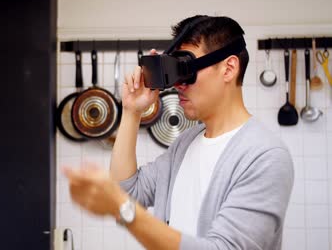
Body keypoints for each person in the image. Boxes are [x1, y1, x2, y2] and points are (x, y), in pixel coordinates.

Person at [63, 15, 294, 250]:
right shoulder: (186, 142)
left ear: (229, 68)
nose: (178, 85)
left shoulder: (265, 156)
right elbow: (128, 192)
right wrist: (132, 112)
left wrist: (126, 212)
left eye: (186, 70)